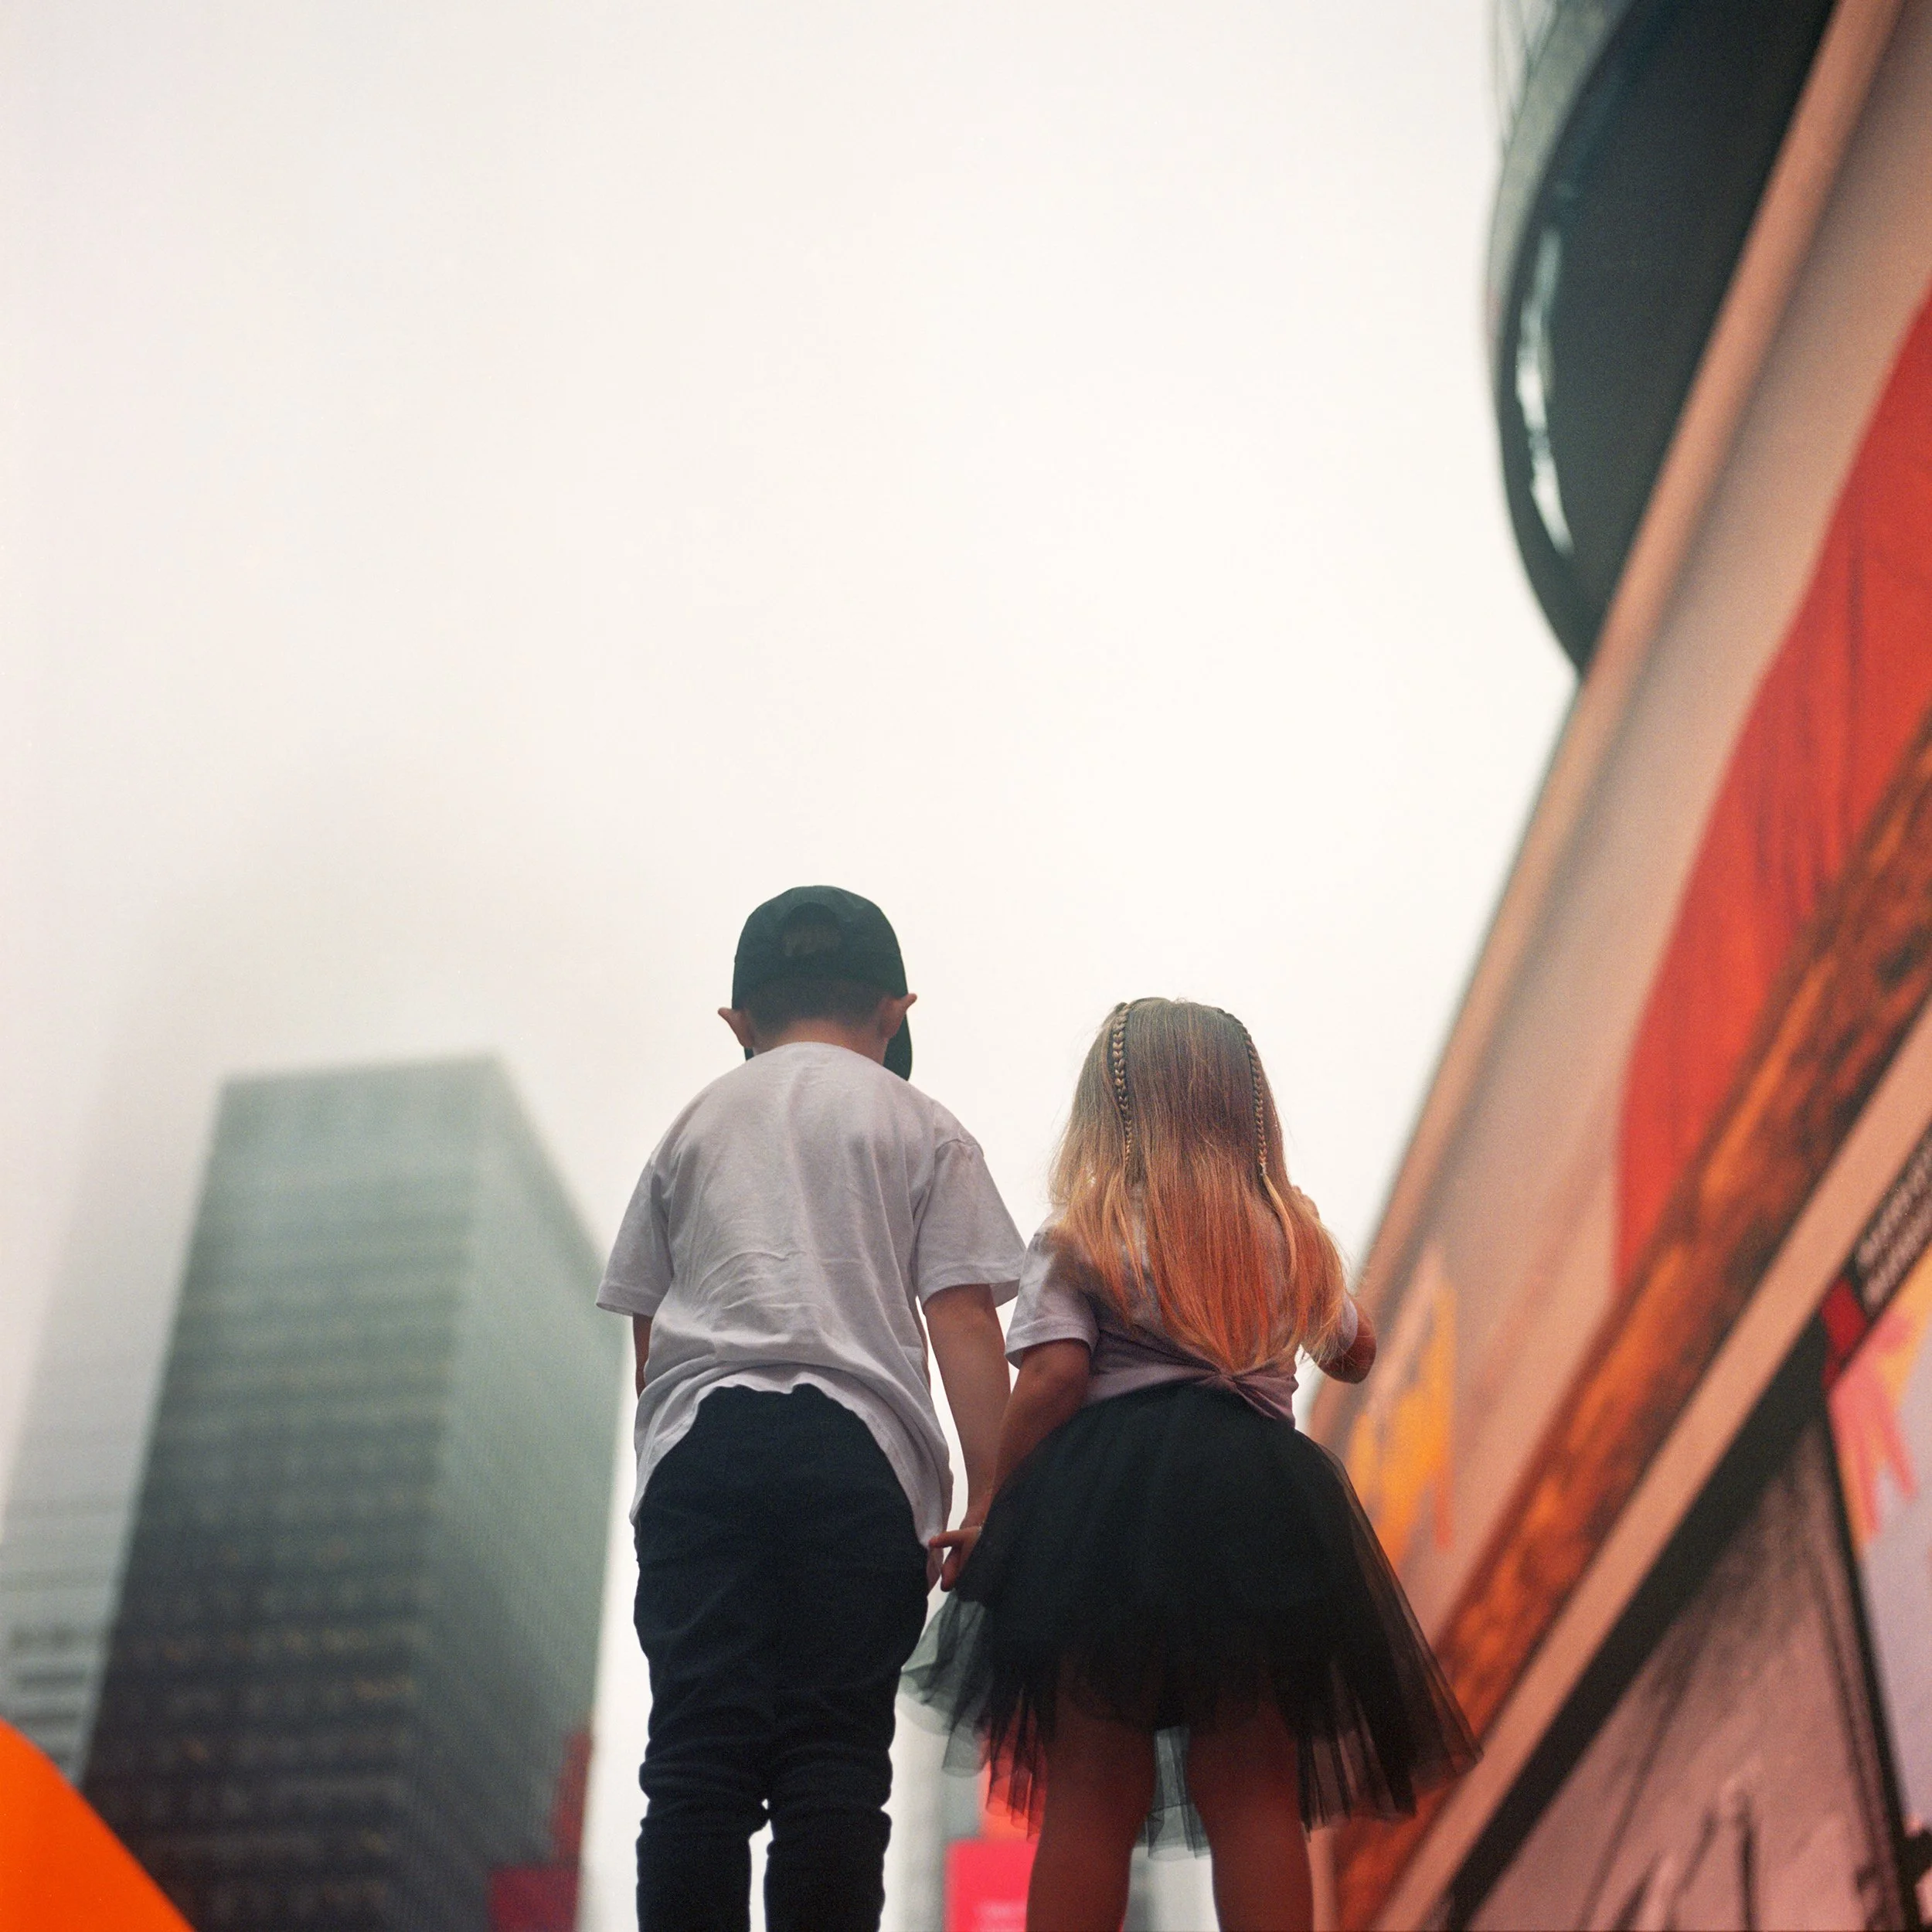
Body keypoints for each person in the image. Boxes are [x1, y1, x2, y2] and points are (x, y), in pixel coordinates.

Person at [905, 998, 1478, 1932]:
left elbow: (1052, 1377)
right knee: (1253, 1790)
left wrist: (997, 1508)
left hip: (1110, 1511)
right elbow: (1355, 1351)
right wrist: (1301, 1264)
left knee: (1091, 1788)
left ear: (1111, 1110)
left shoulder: (1085, 1229)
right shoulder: (1281, 1233)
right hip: (1258, 1506)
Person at [597, 886, 1024, 1932]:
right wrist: (994, 1498)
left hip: (705, 1451)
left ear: (738, 1024)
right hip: (860, 1462)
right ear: (896, 1012)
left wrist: (667, 1468)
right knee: (833, 1761)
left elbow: (647, 1331)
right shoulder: (922, 1124)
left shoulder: (691, 1126)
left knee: (694, 1756)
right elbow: (963, 1320)